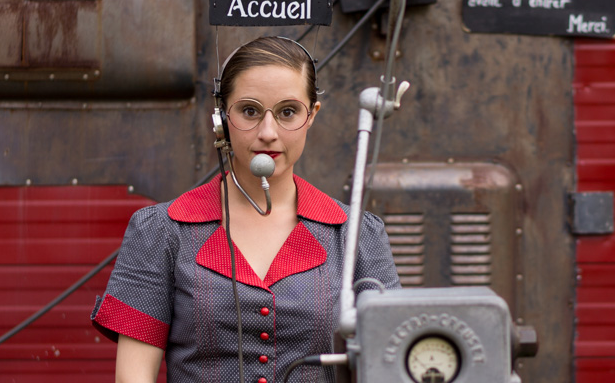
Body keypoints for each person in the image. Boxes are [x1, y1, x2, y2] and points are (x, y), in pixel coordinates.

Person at [90, 36, 401, 383]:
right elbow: (134, 378)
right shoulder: (161, 231)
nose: (268, 133)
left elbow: (390, 365)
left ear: (311, 115)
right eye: (249, 111)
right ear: (221, 116)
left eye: (288, 112)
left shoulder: (357, 234)